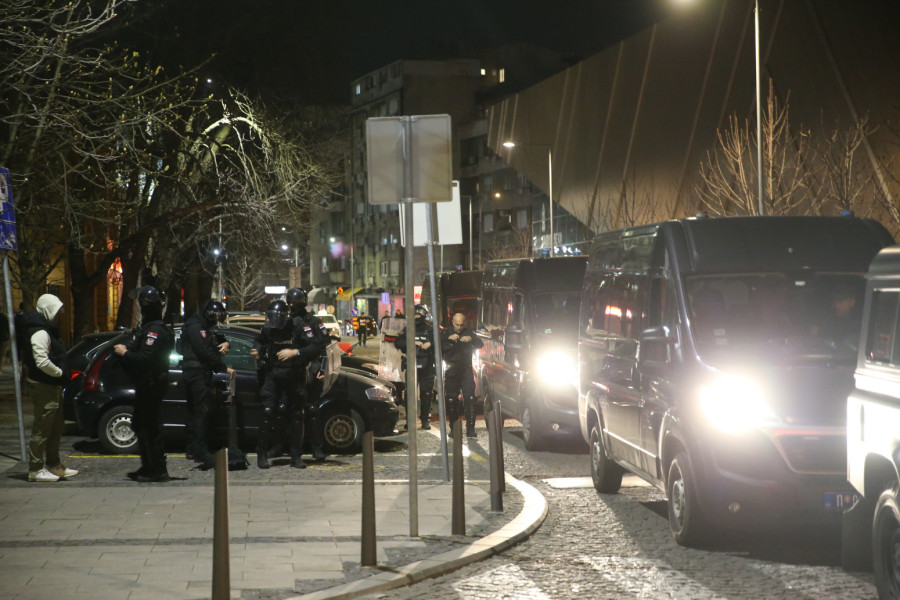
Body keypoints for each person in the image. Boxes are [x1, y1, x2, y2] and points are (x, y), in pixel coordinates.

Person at [113, 286, 175, 482]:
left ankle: (157, 469)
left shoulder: (155, 330)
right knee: (141, 424)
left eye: (146, 305)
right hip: (147, 382)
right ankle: (149, 466)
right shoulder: (149, 328)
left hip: (152, 383)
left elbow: (145, 358)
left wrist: (125, 353)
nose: (143, 308)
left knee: (150, 427)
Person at [17, 294, 75, 482]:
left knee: (55, 427)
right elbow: (41, 360)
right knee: (42, 428)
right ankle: (36, 469)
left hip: (50, 385)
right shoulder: (40, 332)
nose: (59, 314)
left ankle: (54, 464)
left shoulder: (45, 329)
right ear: (48, 310)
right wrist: (58, 372)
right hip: (45, 385)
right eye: (56, 310)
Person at [251, 299, 306, 468]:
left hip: (292, 375)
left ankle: (296, 456)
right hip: (273, 375)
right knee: (267, 413)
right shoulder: (268, 329)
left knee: (296, 416)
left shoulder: (297, 327)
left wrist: (296, 352)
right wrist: (258, 352)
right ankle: (261, 454)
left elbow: (312, 347)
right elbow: (259, 342)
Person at [181, 299, 233, 469]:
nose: (216, 318)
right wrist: (222, 367)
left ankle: (192, 449)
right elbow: (203, 351)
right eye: (214, 315)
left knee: (195, 412)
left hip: (197, 372)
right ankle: (200, 452)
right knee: (200, 413)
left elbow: (217, 339)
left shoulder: (203, 325)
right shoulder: (196, 326)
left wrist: (226, 343)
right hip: (196, 373)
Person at [286, 287, 330, 461]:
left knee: (312, 411)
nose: (293, 306)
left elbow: (325, 347)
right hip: (291, 372)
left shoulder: (314, 322)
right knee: (290, 412)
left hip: (310, 371)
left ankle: (316, 448)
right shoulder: (286, 321)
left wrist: (321, 369)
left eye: (296, 303)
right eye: (290, 303)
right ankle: (287, 447)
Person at [441, 312, 483, 437]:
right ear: (452, 322)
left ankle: (470, 428)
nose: (459, 327)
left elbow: (480, 344)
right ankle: (454, 428)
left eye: (461, 325)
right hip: (451, 369)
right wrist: (449, 340)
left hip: (466, 370)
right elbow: (439, 347)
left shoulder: (468, 332)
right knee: (451, 400)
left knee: (470, 398)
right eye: (456, 324)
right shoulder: (445, 333)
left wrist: (471, 339)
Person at [395, 304, 436, 430]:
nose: (417, 317)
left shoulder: (430, 329)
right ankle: (410, 420)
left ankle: (425, 420)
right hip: (412, 366)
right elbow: (398, 342)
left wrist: (430, 343)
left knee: (426, 394)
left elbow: (441, 342)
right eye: (415, 315)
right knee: (410, 394)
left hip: (427, 366)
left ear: (423, 316)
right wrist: (412, 342)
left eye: (419, 315)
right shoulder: (408, 329)